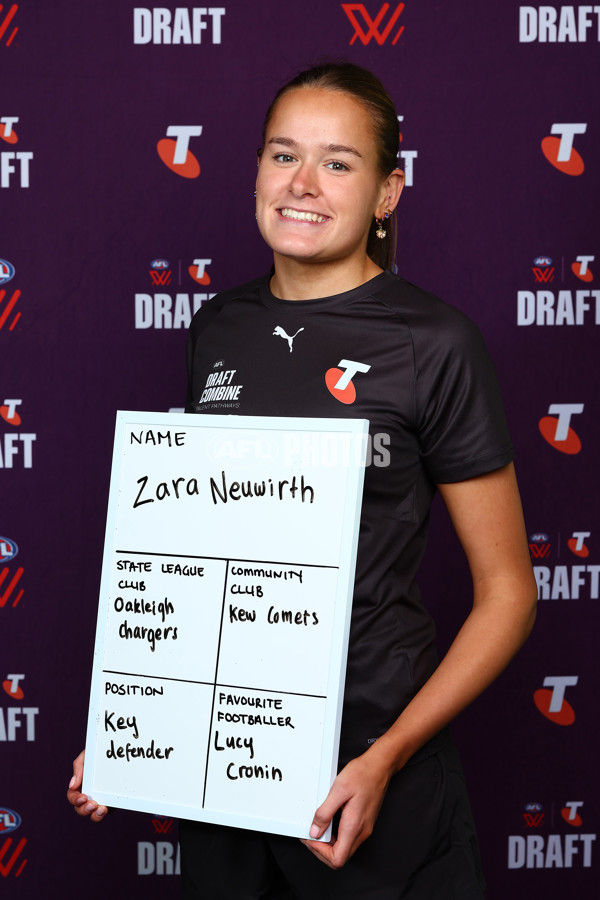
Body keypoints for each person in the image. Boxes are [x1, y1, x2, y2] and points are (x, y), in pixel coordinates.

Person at [68, 62, 537, 898]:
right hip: (228, 785)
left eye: (339, 162)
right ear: (254, 172)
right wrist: (135, 727)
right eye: (284, 155)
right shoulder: (218, 327)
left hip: (374, 781)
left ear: (387, 193)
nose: (304, 184)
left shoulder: (436, 344)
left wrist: (385, 758)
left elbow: (508, 593)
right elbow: (196, 561)